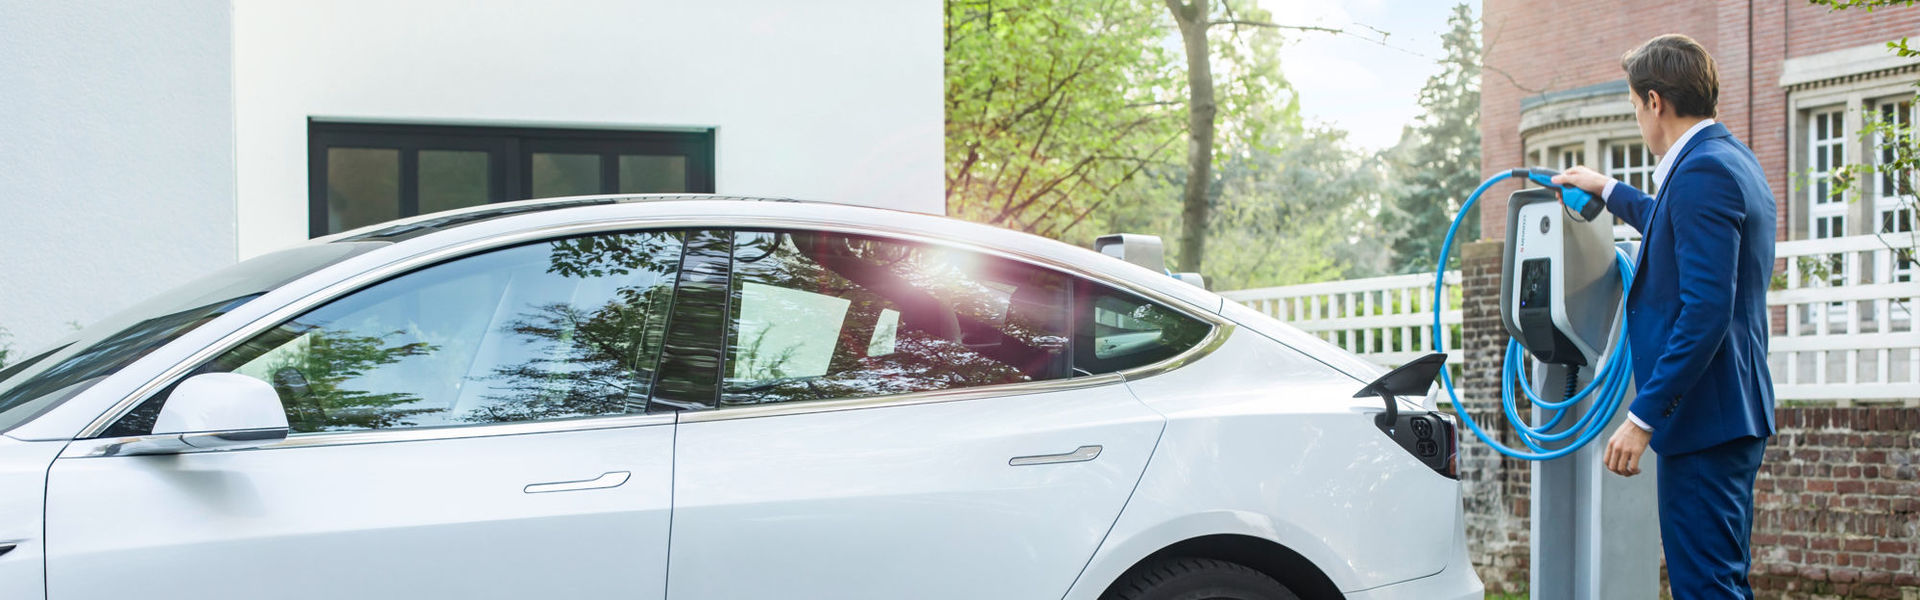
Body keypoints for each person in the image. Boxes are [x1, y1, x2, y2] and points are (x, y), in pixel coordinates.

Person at [1550, 34, 1777, 599]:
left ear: (1655, 101)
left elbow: (1706, 311)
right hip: (1726, 414)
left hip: (1703, 420)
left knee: (1706, 588)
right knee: (1718, 580)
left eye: (1633, 105)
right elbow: (1672, 223)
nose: (1638, 119)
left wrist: (1643, 416)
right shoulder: (1727, 159)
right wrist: (1608, 188)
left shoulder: (1703, 172)